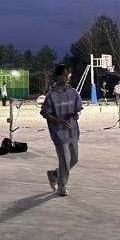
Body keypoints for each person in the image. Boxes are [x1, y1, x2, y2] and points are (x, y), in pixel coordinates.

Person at [40, 64, 83, 197]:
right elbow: (45, 113)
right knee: (64, 160)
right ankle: (61, 186)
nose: (67, 77)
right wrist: (59, 121)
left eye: (68, 74)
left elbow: (78, 109)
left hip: (72, 131)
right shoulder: (51, 96)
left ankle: (54, 174)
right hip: (59, 132)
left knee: (74, 159)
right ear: (58, 76)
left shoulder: (73, 92)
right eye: (64, 74)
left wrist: (76, 115)